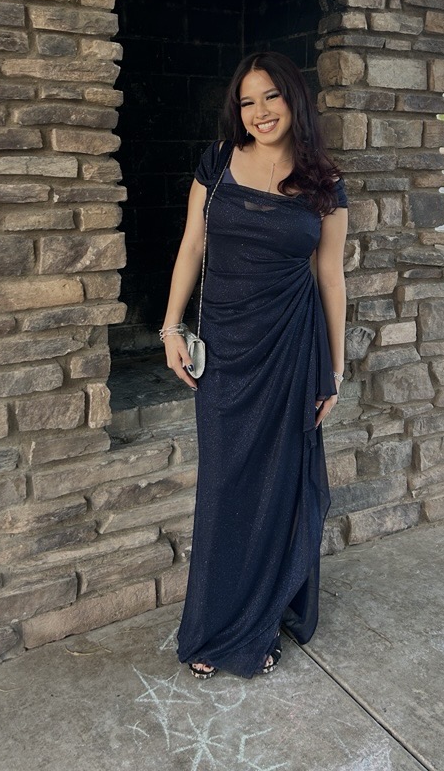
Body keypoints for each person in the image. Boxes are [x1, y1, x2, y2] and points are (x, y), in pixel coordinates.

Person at [161, 51, 348, 680]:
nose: (259, 112)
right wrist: (171, 328)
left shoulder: (324, 181)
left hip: (293, 351)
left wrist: (336, 370)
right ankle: (214, 626)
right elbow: (192, 246)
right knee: (224, 489)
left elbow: (330, 277)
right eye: (247, 101)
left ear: (293, 99)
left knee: (278, 490)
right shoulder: (218, 162)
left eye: (270, 97)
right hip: (227, 351)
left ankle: (262, 620)